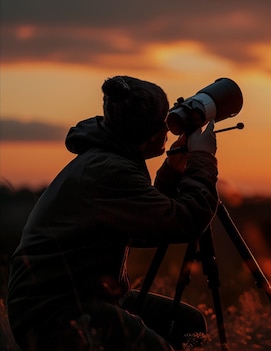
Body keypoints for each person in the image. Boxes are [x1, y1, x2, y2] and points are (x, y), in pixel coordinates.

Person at [7, 75, 219, 350]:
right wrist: (203, 159)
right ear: (150, 131)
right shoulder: (110, 169)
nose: (168, 128)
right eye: (163, 121)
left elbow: (145, 227)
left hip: (81, 293)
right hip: (54, 309)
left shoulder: (111, 156)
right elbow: (186, 221)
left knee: (187, 324)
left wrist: (174, 169)